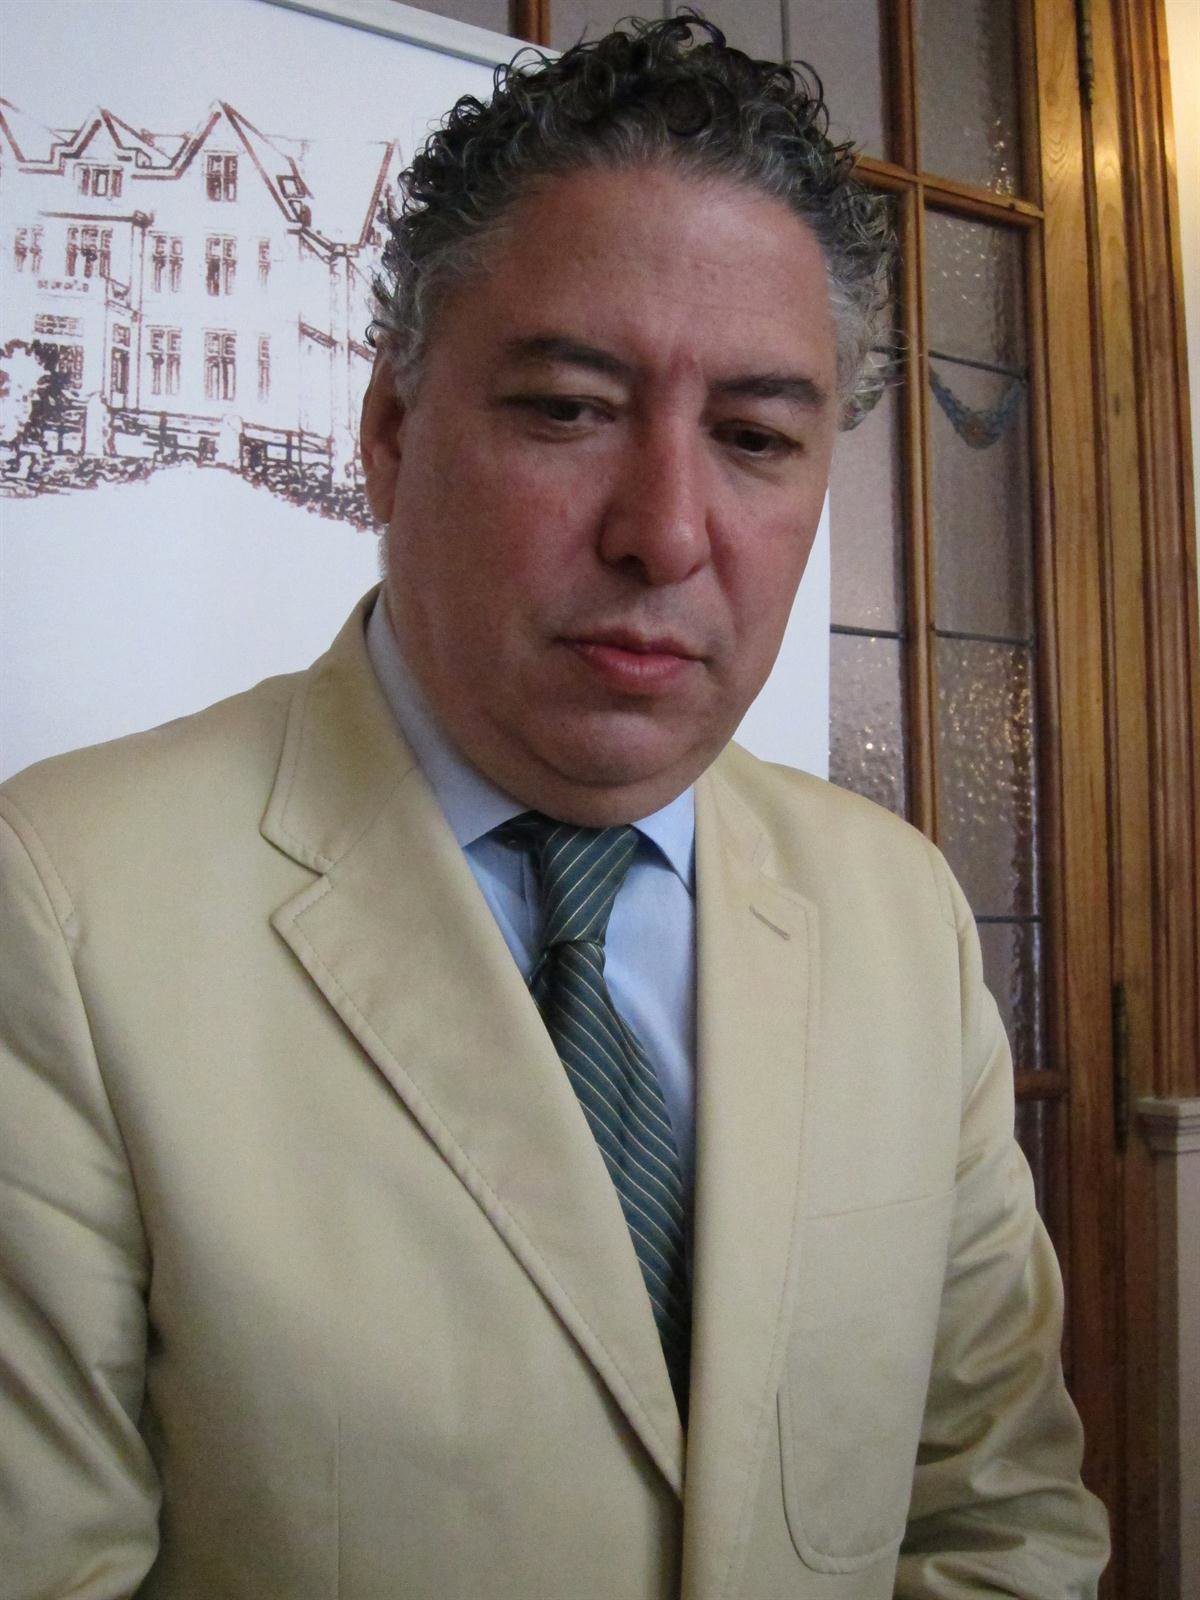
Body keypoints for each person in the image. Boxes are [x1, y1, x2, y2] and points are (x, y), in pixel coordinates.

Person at [0, 16, 1109, 1598]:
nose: (667, 531)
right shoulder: (64, 906)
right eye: (569, 409)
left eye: (755, 438)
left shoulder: (896, 914)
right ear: (390, 434)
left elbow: (1005, 1520)